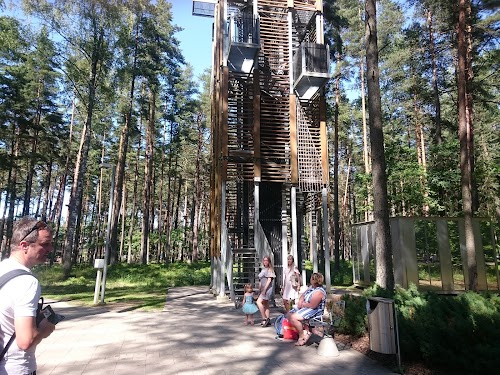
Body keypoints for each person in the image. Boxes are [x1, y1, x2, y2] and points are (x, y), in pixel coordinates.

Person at [0, 217, 56, 375]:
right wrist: (45, 328)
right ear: (24, 245)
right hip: (15, 368)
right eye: (45, 244)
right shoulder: (27, 282)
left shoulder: (2, 269)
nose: (50, 249)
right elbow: (25, 341)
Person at [286, 272, 326, 346]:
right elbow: (303, 295)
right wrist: (301, 301)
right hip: (306, 307)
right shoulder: (311, 287)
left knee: (294, 317)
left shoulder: (319, 292)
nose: (310, 279)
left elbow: (313, 305)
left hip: (314, 311)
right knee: (289, 314)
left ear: (314, 280)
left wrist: (303, 304)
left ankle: (301, 336)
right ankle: (307, 330)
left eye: (311, 278)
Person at [256, 255, 275, 327]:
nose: (265, 262)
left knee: (258, 302)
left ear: (269, 261)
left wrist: (264, 290)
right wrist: (259, 289)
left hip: (267, 289)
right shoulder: (263, 269)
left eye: (267, 260)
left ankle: (264, 318)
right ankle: (268, 319)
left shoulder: (270, 270)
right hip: (263, 289)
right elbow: (261, 280)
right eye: (264, 260)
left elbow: (269, 280)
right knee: (266, 304)